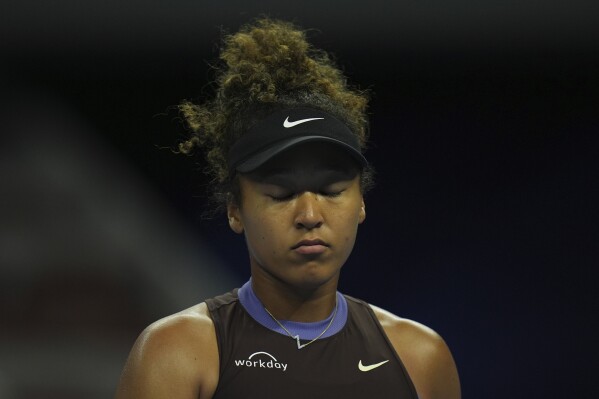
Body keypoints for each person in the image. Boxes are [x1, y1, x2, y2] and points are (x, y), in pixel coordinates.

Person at [115, 18, 461, 399]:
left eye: (331, 190)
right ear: (234, 210)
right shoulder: (176, 354)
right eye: (280, 194)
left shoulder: (421, 358)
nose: (310, 215)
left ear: (361, 201)